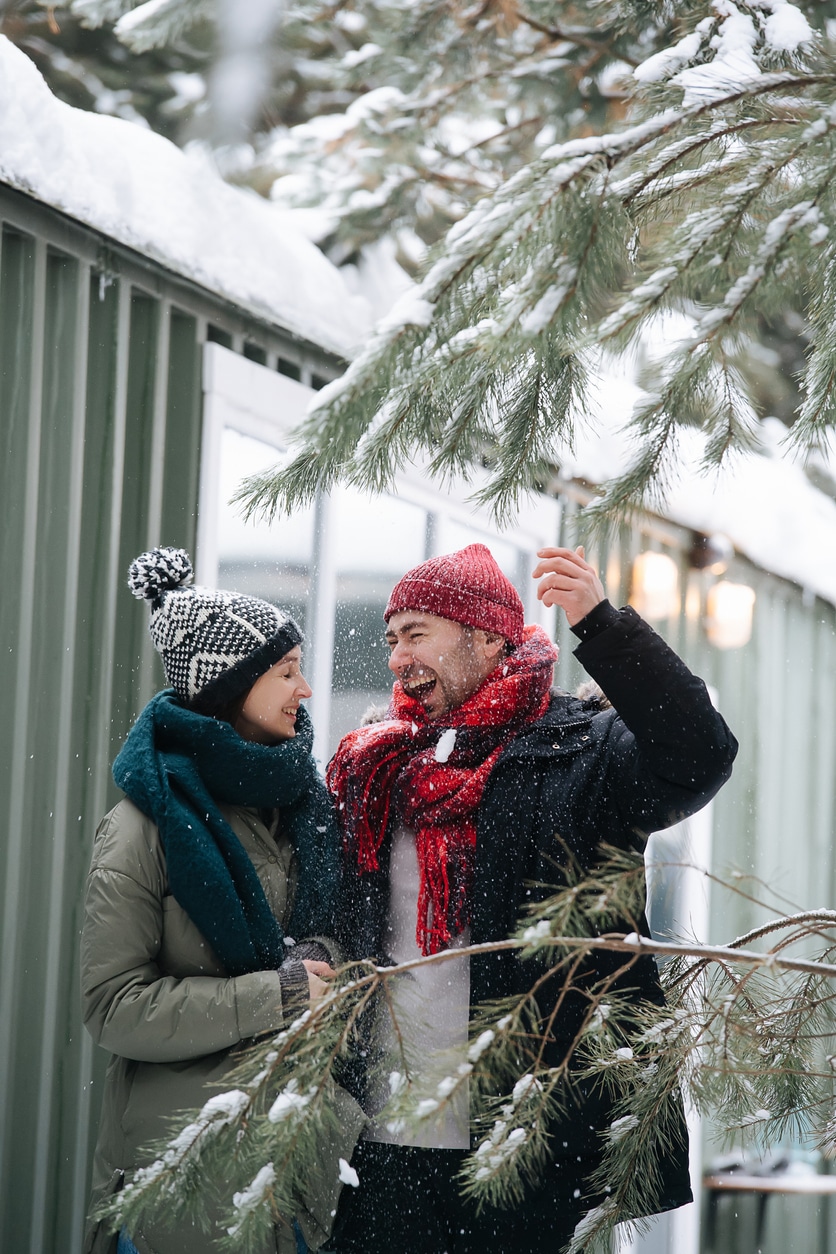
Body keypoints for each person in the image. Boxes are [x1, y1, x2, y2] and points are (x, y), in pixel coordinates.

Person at [326, 542, 738, 1253]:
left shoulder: (580, 751)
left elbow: (698, 754)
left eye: (417, 634)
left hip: (530, 1144)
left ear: (486, 636)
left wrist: (602, 626)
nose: (397, 657)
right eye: (392, 639)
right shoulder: (380, 769)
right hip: (381, 1138)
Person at [81, 547, 363, 1254]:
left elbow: (332, 932)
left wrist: (323, 955)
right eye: (285, 672)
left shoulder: (305, 807)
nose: (305, 690)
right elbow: (112, 1008)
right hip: (185, 1197)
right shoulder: (146, 826)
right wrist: (278, 993)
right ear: (228, 687)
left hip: (295, 1184)